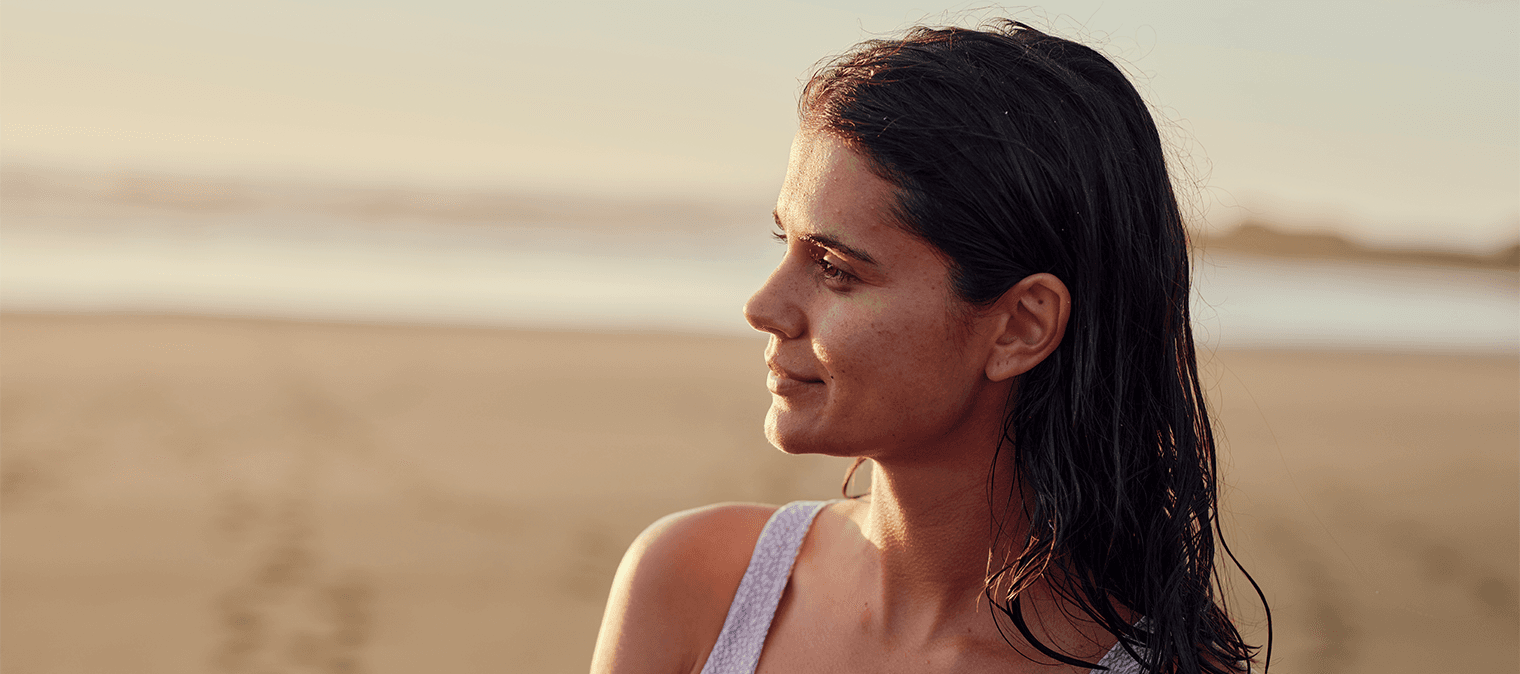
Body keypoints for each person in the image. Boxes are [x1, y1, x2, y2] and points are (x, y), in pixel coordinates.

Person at [590, 20, 1266, 674]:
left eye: (835, 268)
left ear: (1020, 326)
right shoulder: (696, 582)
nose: (763, 308)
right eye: (784, 242)